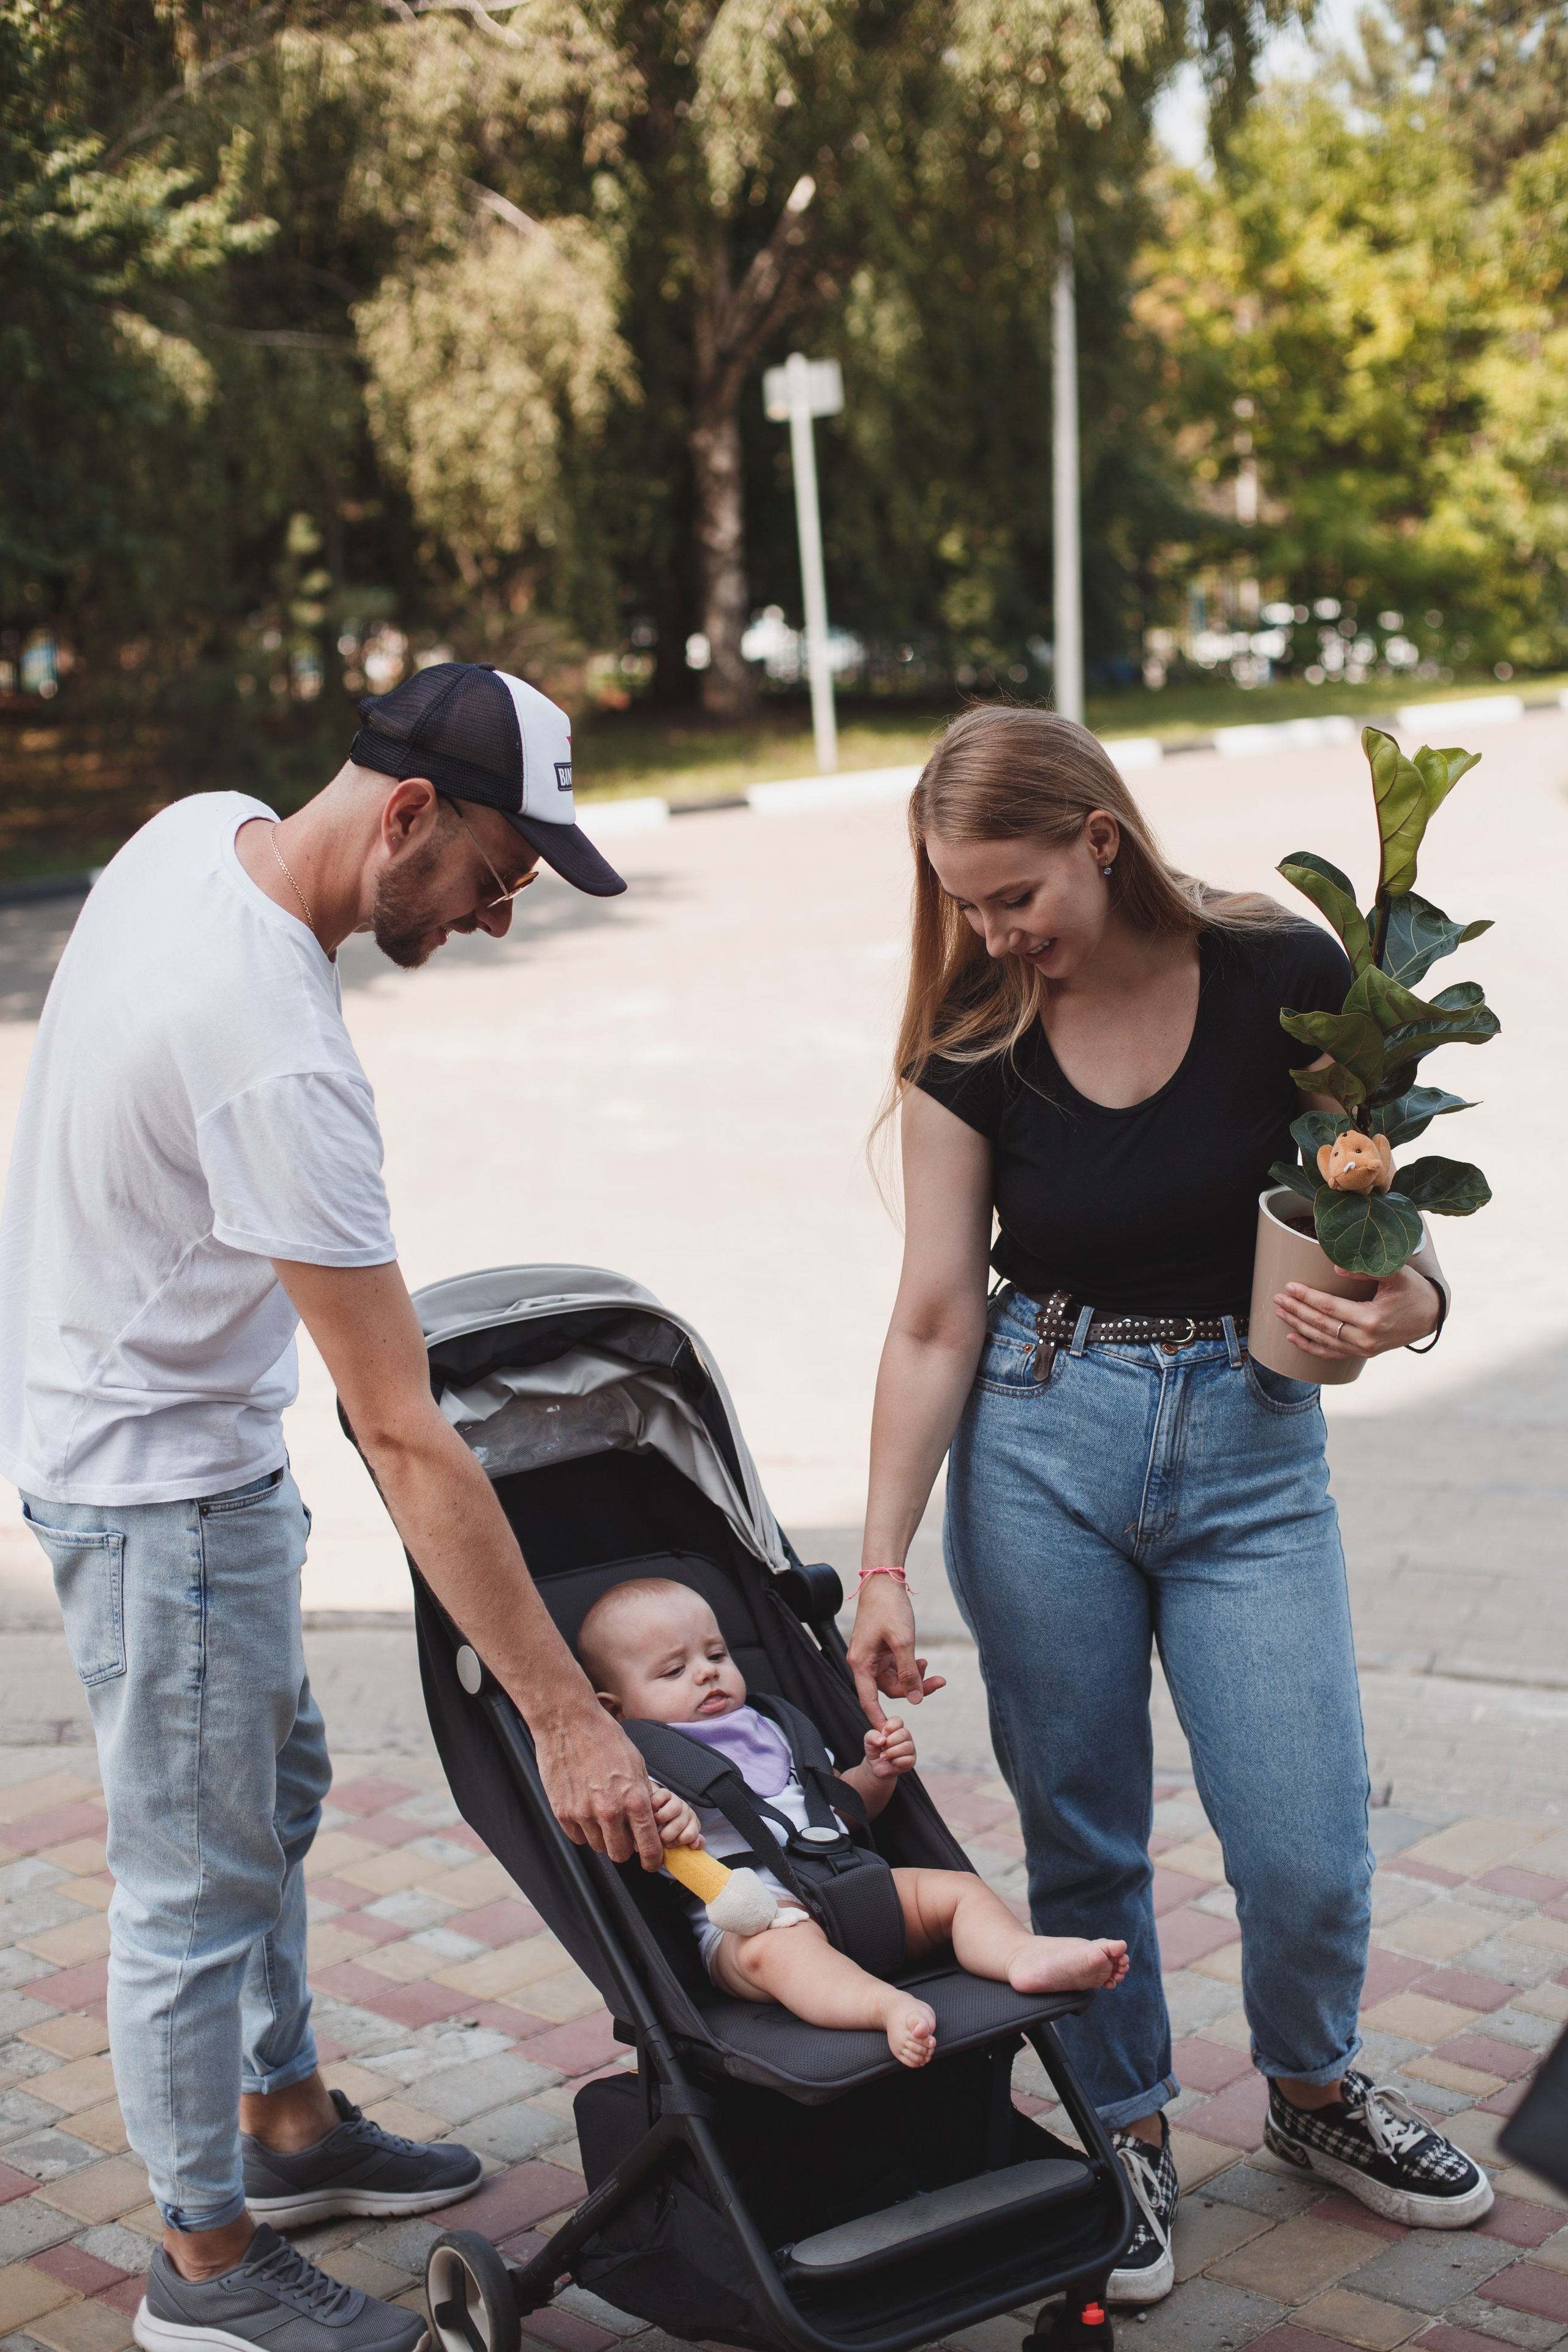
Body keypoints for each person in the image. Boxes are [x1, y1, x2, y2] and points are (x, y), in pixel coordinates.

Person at [0, 664, 669, 2352]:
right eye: (499, 876)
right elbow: (409, 1435)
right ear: (407, 816)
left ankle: (287, 2135)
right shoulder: (279, 1057)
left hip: (160, 1436)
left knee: (260, 1803)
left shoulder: (198, 832)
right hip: (155, 1489)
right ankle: (204, 2278)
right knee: (192, 1878)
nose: (499, 920)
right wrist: (570, 1718)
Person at [845, 708, 1493, 2301]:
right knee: (1082, 1832)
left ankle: (1316, 2093)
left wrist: (1401, 1313)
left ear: (1102, 839)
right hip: (1039, 1447)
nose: (992, 933)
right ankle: (1122, 2119)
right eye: (963, 905)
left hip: (1253, 1450)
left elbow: (1389, 1240)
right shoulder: (972, 1043)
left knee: (1307, 1840)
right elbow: (935, 1312)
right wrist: (879, 1563)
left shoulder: (1292, 982)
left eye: (1015, 896)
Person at [578, 1577, 1128, 2068]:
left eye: (717, 1654)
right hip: (753, 1919)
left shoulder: (775, 1727)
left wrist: (876, 1773)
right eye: (675, 1670)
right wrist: (663, 1818)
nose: (707, 1673)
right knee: (779, 1949)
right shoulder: (634, 1763)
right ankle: (881, 2006)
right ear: (616, 1709)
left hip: (849, 1883)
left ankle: (1021, 1956)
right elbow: (632, 1840)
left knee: (958, 1891)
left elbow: (840, 1814)